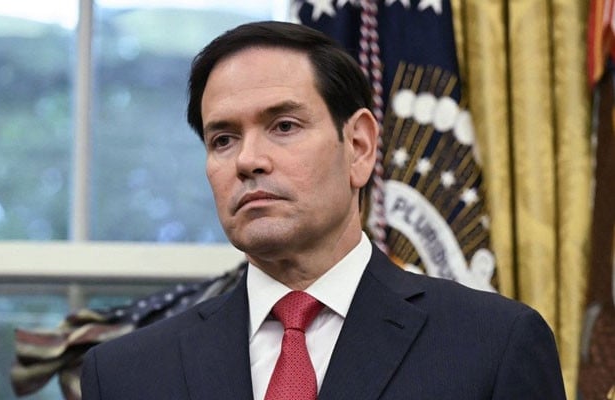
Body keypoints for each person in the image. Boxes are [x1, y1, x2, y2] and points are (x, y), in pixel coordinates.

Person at [80, 21, 566, 400]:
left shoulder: (493, 345)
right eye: (223, 139)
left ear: (359, 147)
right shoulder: (126, 374)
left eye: (284, 126)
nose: (248, 160)